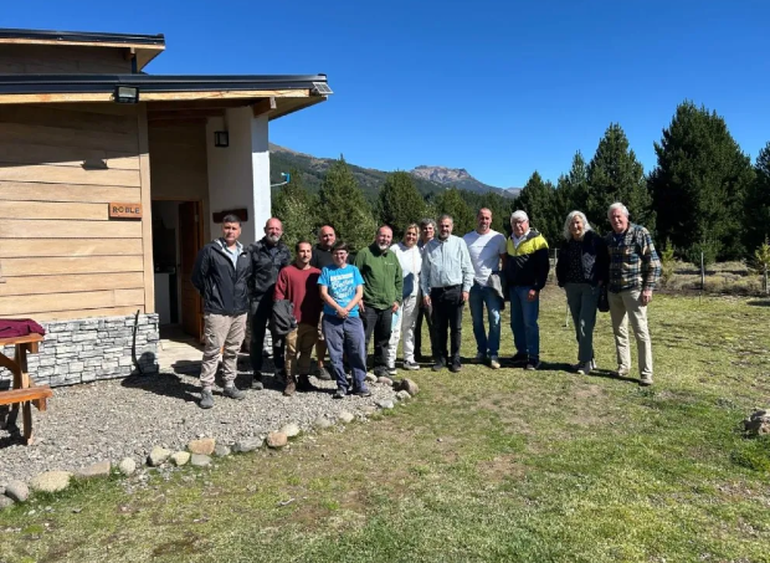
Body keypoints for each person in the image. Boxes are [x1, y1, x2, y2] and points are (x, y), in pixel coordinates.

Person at [191, 215, 250, 409]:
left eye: (234, 228)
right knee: (213, 350)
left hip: (239, 310)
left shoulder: (244, 253)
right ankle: (206, 388)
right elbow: (197, 278)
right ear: (222, 229)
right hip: (217, 310)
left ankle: (229, 384)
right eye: (227, 228)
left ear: (239, 230)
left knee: (233, 350)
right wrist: (210, 296)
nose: (230, 231)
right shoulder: (210, 250)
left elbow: (247, 279)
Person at [605, 202, 661, 386]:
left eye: (618, 216)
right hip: (614, 291)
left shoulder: (640, 233)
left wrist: (648, 288)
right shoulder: (609, 238)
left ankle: (646, 373)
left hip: (634, 290)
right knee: (619, 331)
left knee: (641, 332)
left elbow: (654, 264)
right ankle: (623, 366)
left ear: (626, 217)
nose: (615, 220)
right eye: (612, 217)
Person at [555, 211, 608, 375]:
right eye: (572, 223)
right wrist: (562, 280)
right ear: (568, 226)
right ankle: (589, 359)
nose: (575, 226)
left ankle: (584, 362)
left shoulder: (594, 240)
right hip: (572, 287)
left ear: (584, 223)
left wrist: (600, 280)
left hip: (589, 286)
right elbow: (561, 263)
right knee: (578, 325)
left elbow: (605, 260)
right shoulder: (567, 243)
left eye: (578, 222)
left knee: (585, 324)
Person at [420, 214, 474, 373]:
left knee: (456, 328)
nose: (444, 228)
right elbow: (424, 273)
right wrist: (425, 293)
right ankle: (440, 359)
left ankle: (455, 359)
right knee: (439, 328)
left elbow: (468, 268)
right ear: (438, 226)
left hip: (455, 291)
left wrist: (466, 289)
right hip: (436, 293)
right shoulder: (430, 246)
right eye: (442, 226)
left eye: (447, 226)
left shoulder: (459, 243)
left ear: (452, 227)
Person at [318, 241, 371, 398]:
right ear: (332, 254)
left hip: (352, 317)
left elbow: (359, 292)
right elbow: (323, 293)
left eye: (342, 253)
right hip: (332, 318)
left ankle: (359, 384)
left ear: (347, 254)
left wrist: (347, 309)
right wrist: (338, 309)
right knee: (336, 354)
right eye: (336, 253)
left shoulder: (353, 270)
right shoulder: (326, 271)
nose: (339, 256)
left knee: (357, 350)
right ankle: (342, 385)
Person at [247, 218, 292, 389]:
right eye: (271, 228)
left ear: (281, 231)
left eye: (277, 228)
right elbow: (247, 274)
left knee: (279, 337)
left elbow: (287, 275)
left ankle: (279, 370)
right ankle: (256, 374)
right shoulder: (254, 249)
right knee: (256, 338)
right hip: (258, 300)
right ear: (265, 230)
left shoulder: (285, 250)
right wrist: (251, 294)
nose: (274, 231)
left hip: (278, 301)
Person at [274, 241, 323, 396]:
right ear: (297, 253)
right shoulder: (287, 272)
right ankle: (290, 379)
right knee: (291, 351)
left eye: (308, 251)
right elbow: (279, 296)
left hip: (311, 319)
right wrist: (284, 318)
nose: (305, 254)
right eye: (302, 251)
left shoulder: (317, 273)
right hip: (293, 321)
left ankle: (303, 378)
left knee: (307, 350)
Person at [503, 210, 550, 370]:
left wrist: (536, 287)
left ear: (527, 222)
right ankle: (522, 353)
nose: (518, 225)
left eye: (520, 221)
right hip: (514, 289)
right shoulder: (509, 240)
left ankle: (534, 357)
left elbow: (544, 267)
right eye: (514, 222)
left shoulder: (537, 240)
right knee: (516, 323)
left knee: (530, 323)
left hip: (529, 289)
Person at [354, 225, 403, 377]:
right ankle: (359, 367)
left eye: (388, 237)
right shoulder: (364, 254)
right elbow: (355, 277)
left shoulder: (392, 257)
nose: (385, 239)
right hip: (368, 305)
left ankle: (380, 367)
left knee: (383, 339)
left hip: (388, 306)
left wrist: (397, 299)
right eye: (382, 236)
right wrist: (358, 298)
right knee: (363, 338)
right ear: (376, 236)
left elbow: (398, 279)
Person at [463, 208, 507, 369]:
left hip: (491, 285)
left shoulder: (498, 238)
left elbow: (505, 260)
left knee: (495, 319)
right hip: (473, 284)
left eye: (487, 218)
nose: (484, 221)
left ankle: (493, 353)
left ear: (491, 220)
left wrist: (501, 280)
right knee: (476, 321)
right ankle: (481, 351)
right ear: (477, 219)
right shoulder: (467, 239)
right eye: (481, 218)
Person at [386, 224, 423, 373]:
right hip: (397, 295)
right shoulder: (394, 249)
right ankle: (390, 360)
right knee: (394, 328)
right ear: (404, 234)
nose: (411, 237)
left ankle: (409, 357)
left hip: (413, 294)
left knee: (409, 327)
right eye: (409, 233)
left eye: (414, 234)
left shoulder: (419, 251)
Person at [309, 225, 338, 381]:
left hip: (340, 303)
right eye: (325, 236)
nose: (328, 238)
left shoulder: (340, 252)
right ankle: (320, 365)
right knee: (322, 337)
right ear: (320, 238)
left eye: (331, 235)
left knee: (337, 336)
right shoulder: (315, 254)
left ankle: (336, 364)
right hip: (322, 303)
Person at [414, 218, 436, 360]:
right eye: (424, 229)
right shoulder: (415, 246)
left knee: (433, 322)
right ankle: (415, 353)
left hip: (432, 289)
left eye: (430, 228)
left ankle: (437, 353)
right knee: (415, 324)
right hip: (415, 289)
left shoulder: (438, 245)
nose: (427, 231)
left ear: (434, 230)